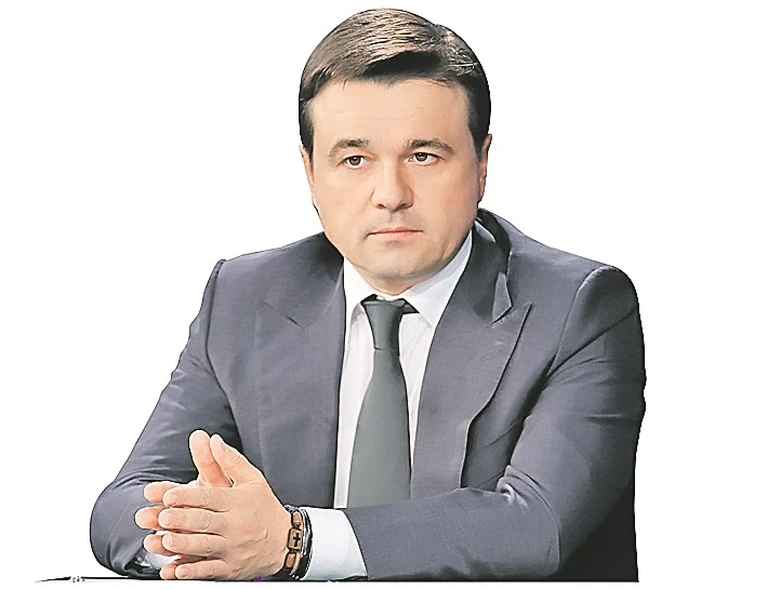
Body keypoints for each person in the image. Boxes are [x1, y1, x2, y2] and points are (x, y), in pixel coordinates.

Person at [90, 7, 645, 581]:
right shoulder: (244, 297)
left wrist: (295, 542)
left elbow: (534, 526)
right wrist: (203, 539)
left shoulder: (578, 307)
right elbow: (123, 506)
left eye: (424, 156)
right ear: (310, 172)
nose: (390, 194)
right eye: (354, 159)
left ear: (482, 164)